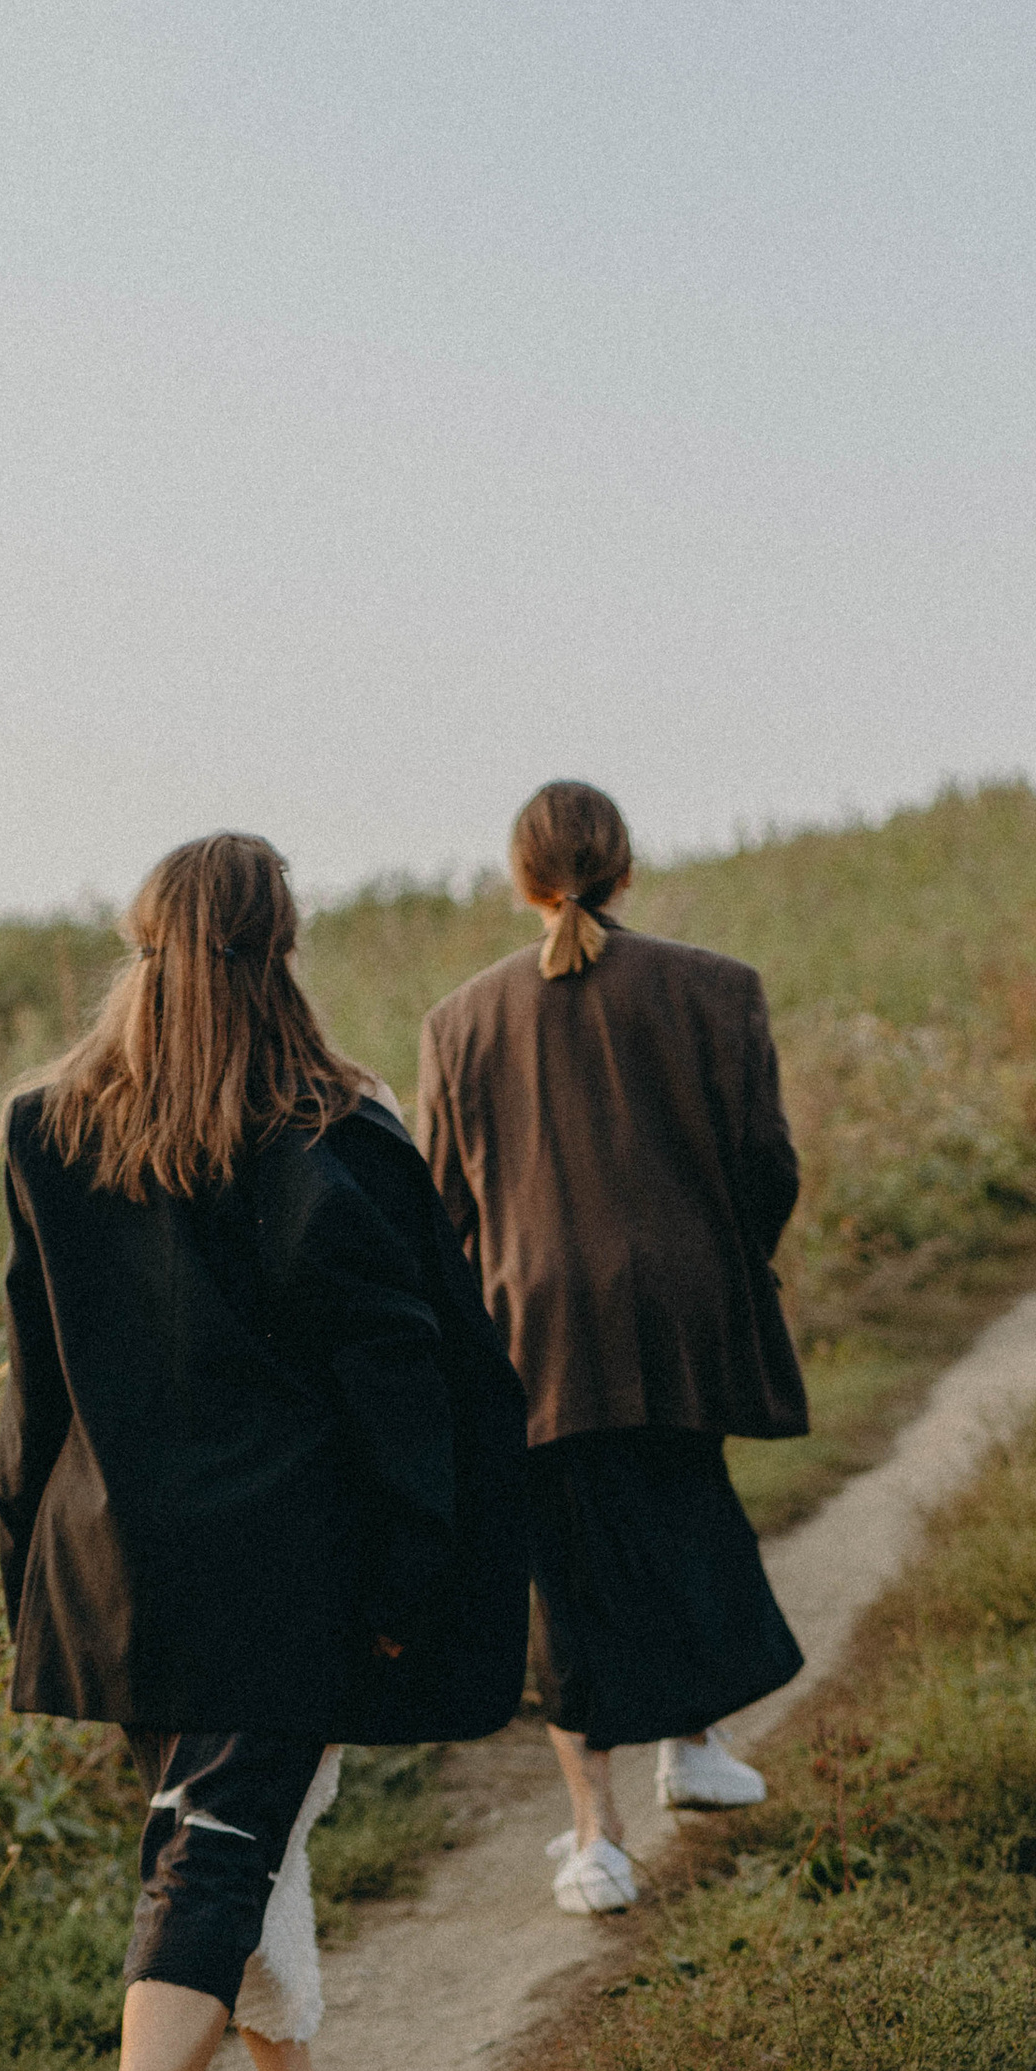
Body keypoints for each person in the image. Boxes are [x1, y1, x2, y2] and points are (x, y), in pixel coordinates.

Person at [0, 832, 526, 2071]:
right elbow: (406, 1372)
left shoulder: (50, 1128)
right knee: (222, 1846)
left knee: (232, 1826)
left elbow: (31, 1386)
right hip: (285, 1563)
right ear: (281, 943)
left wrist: (23, 1570)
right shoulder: (334, 1132)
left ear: (142, 937)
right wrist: (423, 1572)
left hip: (111, 1564)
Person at [415, 780, 808, 1912]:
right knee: (683, 1517)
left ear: (521, 879)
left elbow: (444, 1208)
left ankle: (598, 1840)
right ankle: (692, 1748)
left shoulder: (459, 1023)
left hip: (533, 1334)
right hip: (680, 1313)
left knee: (573, 1576)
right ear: (624, 868)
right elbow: (766, 1166)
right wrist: (721, 1263)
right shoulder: (714, 988)